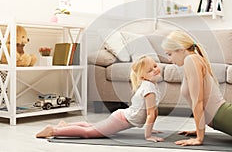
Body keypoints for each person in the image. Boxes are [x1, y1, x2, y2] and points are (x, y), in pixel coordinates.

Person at [36, 56, 164, 143]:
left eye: (155, 66)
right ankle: (53, 130)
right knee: (89, 133)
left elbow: (153, 111)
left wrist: (150, 128)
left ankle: (66, 125)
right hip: (121, 119)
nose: (155, 70)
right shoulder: (149, 89)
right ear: (143, 76)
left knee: (93, 126)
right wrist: (148, 135)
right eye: (150, 70)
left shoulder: (152, 85)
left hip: (122, 116)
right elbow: (150, 114)